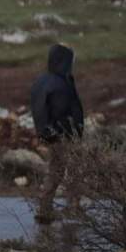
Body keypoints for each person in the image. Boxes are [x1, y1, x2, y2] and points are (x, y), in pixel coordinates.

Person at [30, 43, 84, 224]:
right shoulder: (57, 82)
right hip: (62, 135)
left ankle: (50, 208)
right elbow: (42, 109)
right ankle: (68, 208)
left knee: (60, 170)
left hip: (62, 133)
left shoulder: (51, 80)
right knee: (64, 170)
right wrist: (50, 132)